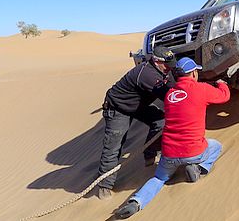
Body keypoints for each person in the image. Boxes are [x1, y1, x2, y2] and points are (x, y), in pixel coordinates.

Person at [114, 57, 230, 219]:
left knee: (158, 179)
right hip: (193, 151)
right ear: (193, 73)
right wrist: (222, 83)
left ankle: (136, 202)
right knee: (215, 145)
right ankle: (199, 168)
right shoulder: (201, 89)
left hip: (168, 154)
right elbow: (224, 96)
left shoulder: (170, 94)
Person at [96, 46, 176, 200]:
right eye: (166, 65)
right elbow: (169, 96)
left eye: (171, 64)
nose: (169, 68)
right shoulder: (146, 74)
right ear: (156, 61)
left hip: (137, 105)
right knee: (114, 145)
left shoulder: (166, 70)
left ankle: (150, 155)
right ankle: (104, 186)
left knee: (160, 121)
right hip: (118, 108)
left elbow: (173, 88)